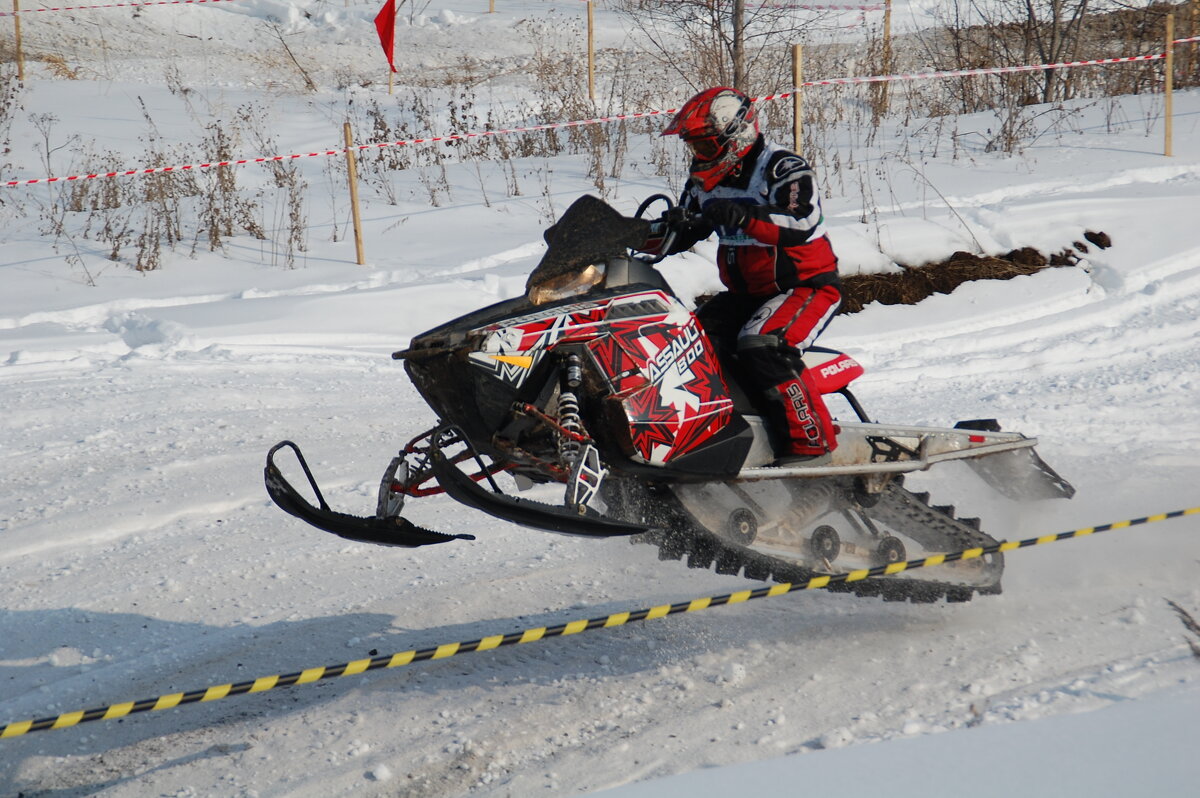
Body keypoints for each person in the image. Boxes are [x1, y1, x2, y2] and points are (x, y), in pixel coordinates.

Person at [650, 86, 841, 466]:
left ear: (735, 134)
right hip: (744, 293)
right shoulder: (703, 182)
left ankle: (811, 446)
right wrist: (624, 235)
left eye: (705, 145)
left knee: (762, 344)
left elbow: (802, 219)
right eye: (695, 147)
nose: (698, 155)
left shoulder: (782, 168)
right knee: (685, 348)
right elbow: (683, 230)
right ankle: (712, 436)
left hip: (804, 287)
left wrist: (745, 215)